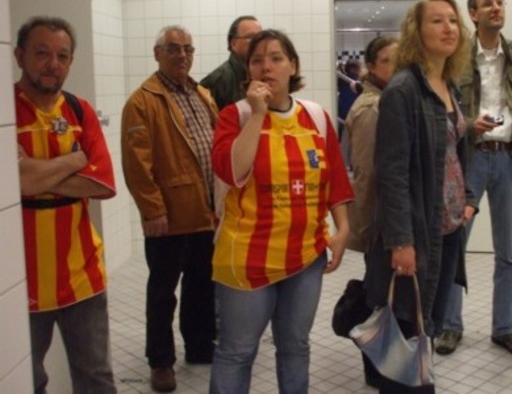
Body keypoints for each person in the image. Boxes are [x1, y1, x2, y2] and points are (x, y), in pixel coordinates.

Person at [209, 29, 353, 394]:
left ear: (293, 66)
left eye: (276, 58)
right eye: (257, 60)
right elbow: (232, 171)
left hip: (306, 257)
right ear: (248, 70)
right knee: (238, 351)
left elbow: (335, 179)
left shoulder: (316, 118)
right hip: (247, 257)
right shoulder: (234, 116)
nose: (266, 67)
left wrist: (343, 229)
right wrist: (257, 114)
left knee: (295, 346)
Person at [364, 0, 471, 394]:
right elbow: (391, 173)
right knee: (408, 329)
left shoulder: (449, 85)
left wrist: (468, 200)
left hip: (448, 227)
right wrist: (401, 240)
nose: (448, 28)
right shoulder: (403, 90)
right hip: (418, 231)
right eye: (437, 21)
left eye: (453, 21)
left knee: (428, 325)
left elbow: (456, 150)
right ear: (416, 31)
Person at [437, 0, 512, 359]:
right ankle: (450, 325)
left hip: (508, 159)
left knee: (509, 251)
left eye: (500, 2)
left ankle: (505, 328)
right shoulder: (457, 57)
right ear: (473, 14)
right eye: (488, 4)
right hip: (468, 159)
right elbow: (443, 108)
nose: (497, 8)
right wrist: (469, 126)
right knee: (455, 246)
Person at [14, 16, 117, 393]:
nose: (52, 64)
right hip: (22, 279)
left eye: (62, 56)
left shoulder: (79, 110)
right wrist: (74, 160)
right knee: (27, 379)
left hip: (82, 274)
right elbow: (14, 182)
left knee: (96, 377)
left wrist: (33, 174)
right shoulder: (7, 112)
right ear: (19, 55)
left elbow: (102, 184)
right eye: (42, 53)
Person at [121, 25, 218, 392]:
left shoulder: (202, 94)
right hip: (169, 216)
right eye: (174, 48)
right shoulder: (143, 101)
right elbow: (137, 164)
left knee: (201, 285)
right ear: (157, 53)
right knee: (163, 292)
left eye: (188, 49)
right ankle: (161, 361)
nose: (182, 55)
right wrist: (152, 211)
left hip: (205, 211)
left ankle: (199, 345)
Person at [344, 35, 397, 388]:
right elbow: (368, 174)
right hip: (380, 220)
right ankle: (376, 366)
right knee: (379, 296)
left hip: (388, 219)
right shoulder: (371, 109)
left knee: (387, 294)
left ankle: (384, 363)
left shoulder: (390, 100)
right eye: (389, 60)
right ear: (372, 67)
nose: (398, 67)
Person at [200, 15, 262, 109]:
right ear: (233, 44)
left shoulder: (263, 74)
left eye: (261, 38)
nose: (258, 42)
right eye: (251, 37)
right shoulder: (217, 82)